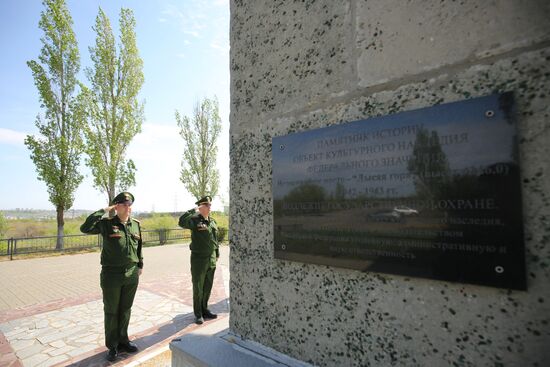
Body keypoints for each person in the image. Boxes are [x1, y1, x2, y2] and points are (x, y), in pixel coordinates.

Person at [80, 192, 143, 362]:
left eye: (130, 205)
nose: (128, 208)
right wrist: (103, 210)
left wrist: (140, 265)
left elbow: (139, 247)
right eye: (124, 204)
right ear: (117, 206)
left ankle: (124, 340)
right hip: (112, 275)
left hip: (131, 274)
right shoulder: (107, 224)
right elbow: (84, 228)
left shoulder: (135, 225)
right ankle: (113, 346)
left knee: (125, 310)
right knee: (111, 311)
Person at [179, 195, 219, 324]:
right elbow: (181, 222)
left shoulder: (212, 221)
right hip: (199, 259)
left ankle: (205, 309)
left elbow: (215, 239)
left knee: (208, 286)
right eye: (206, 205)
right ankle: (198, 313)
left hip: (211, 258)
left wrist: (217, 253)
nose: (209, 207)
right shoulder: (195, 220)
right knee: (198, 287)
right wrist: (194, 210)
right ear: (201, 207)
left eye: (210, 205)